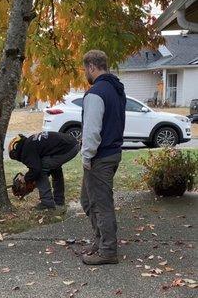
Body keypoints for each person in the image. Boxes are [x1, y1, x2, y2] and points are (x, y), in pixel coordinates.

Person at [80, 50, 126, 266]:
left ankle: (108, 251)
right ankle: (100, 241)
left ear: (91, 67)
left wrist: (86, 157)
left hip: (100, 156)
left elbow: (92, 131)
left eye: (85, 69)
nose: (85, 74)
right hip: (112, 153)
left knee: (100, 204)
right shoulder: (116, 89)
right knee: (87, 200)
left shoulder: (96, 92)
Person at [8, 131, 79, 210]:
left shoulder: (26, 150)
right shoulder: (30, 142)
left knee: (40, 172)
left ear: (16, 153)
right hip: (72, 145)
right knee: (55, 169)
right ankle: (59, 201)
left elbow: (36, 170)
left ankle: (47, 203)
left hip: (67, 149)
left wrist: (25, 179)